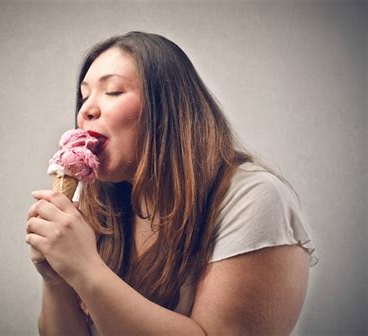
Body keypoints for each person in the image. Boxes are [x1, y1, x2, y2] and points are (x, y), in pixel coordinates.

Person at [25, 31, 318, 336]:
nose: (85, 111)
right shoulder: (100, 212)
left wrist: (86, 268)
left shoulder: (253, 198)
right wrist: (57, 279)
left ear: (169, 108)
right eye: (84, 97)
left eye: (112, 91)